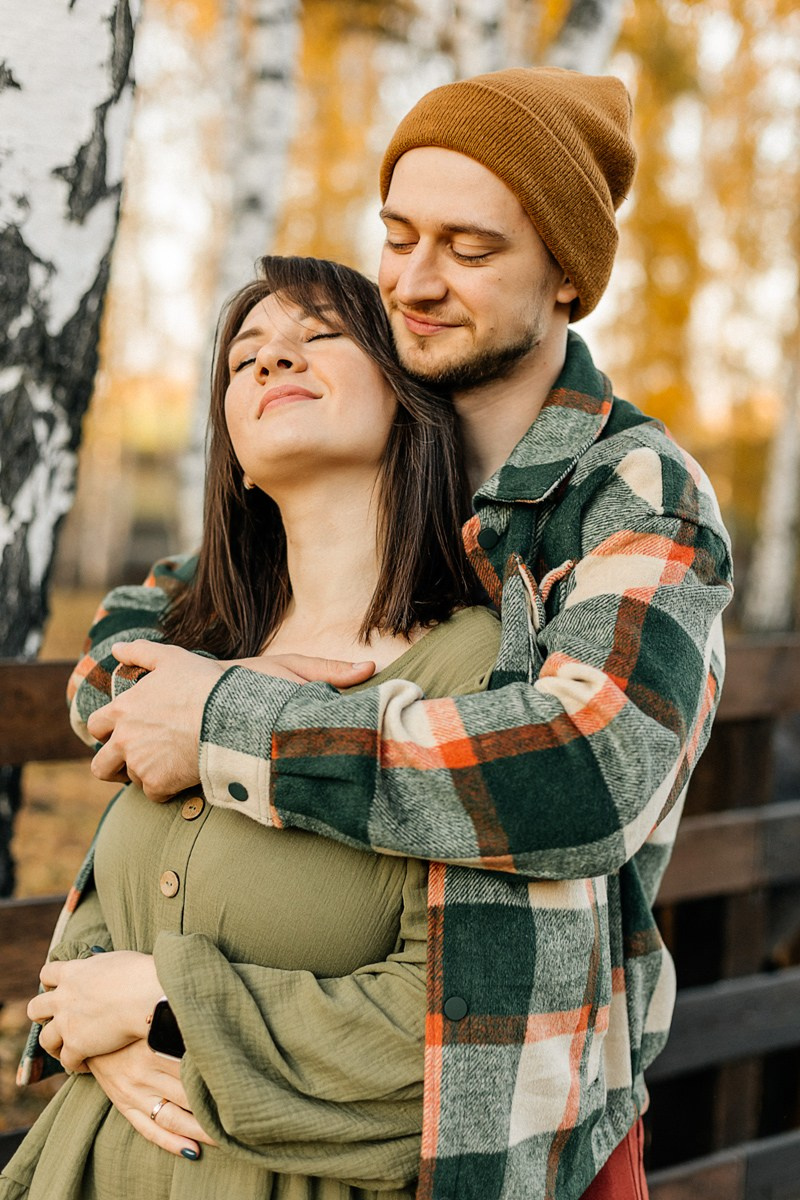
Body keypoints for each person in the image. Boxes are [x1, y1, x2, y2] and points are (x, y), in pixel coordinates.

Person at [24, 69, 733, 1200]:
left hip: (518, 1086)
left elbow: (588, 774)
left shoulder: (628, 489)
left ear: (564, 275)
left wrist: (238, 720)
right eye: (397, 236)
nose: (411, 280)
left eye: (467, 247)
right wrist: (173, 692)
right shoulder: (375, 445)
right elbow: (143, 629)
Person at [2, 256, 503, 1200]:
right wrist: (92, 1024)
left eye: (320, 338)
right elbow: (104, 926)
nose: (275, 359)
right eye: (245, 358)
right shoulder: (188, 654)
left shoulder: (471, 675)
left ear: (408, 397)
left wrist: (163, 1011)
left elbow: (458, 1045)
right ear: (228, 439)